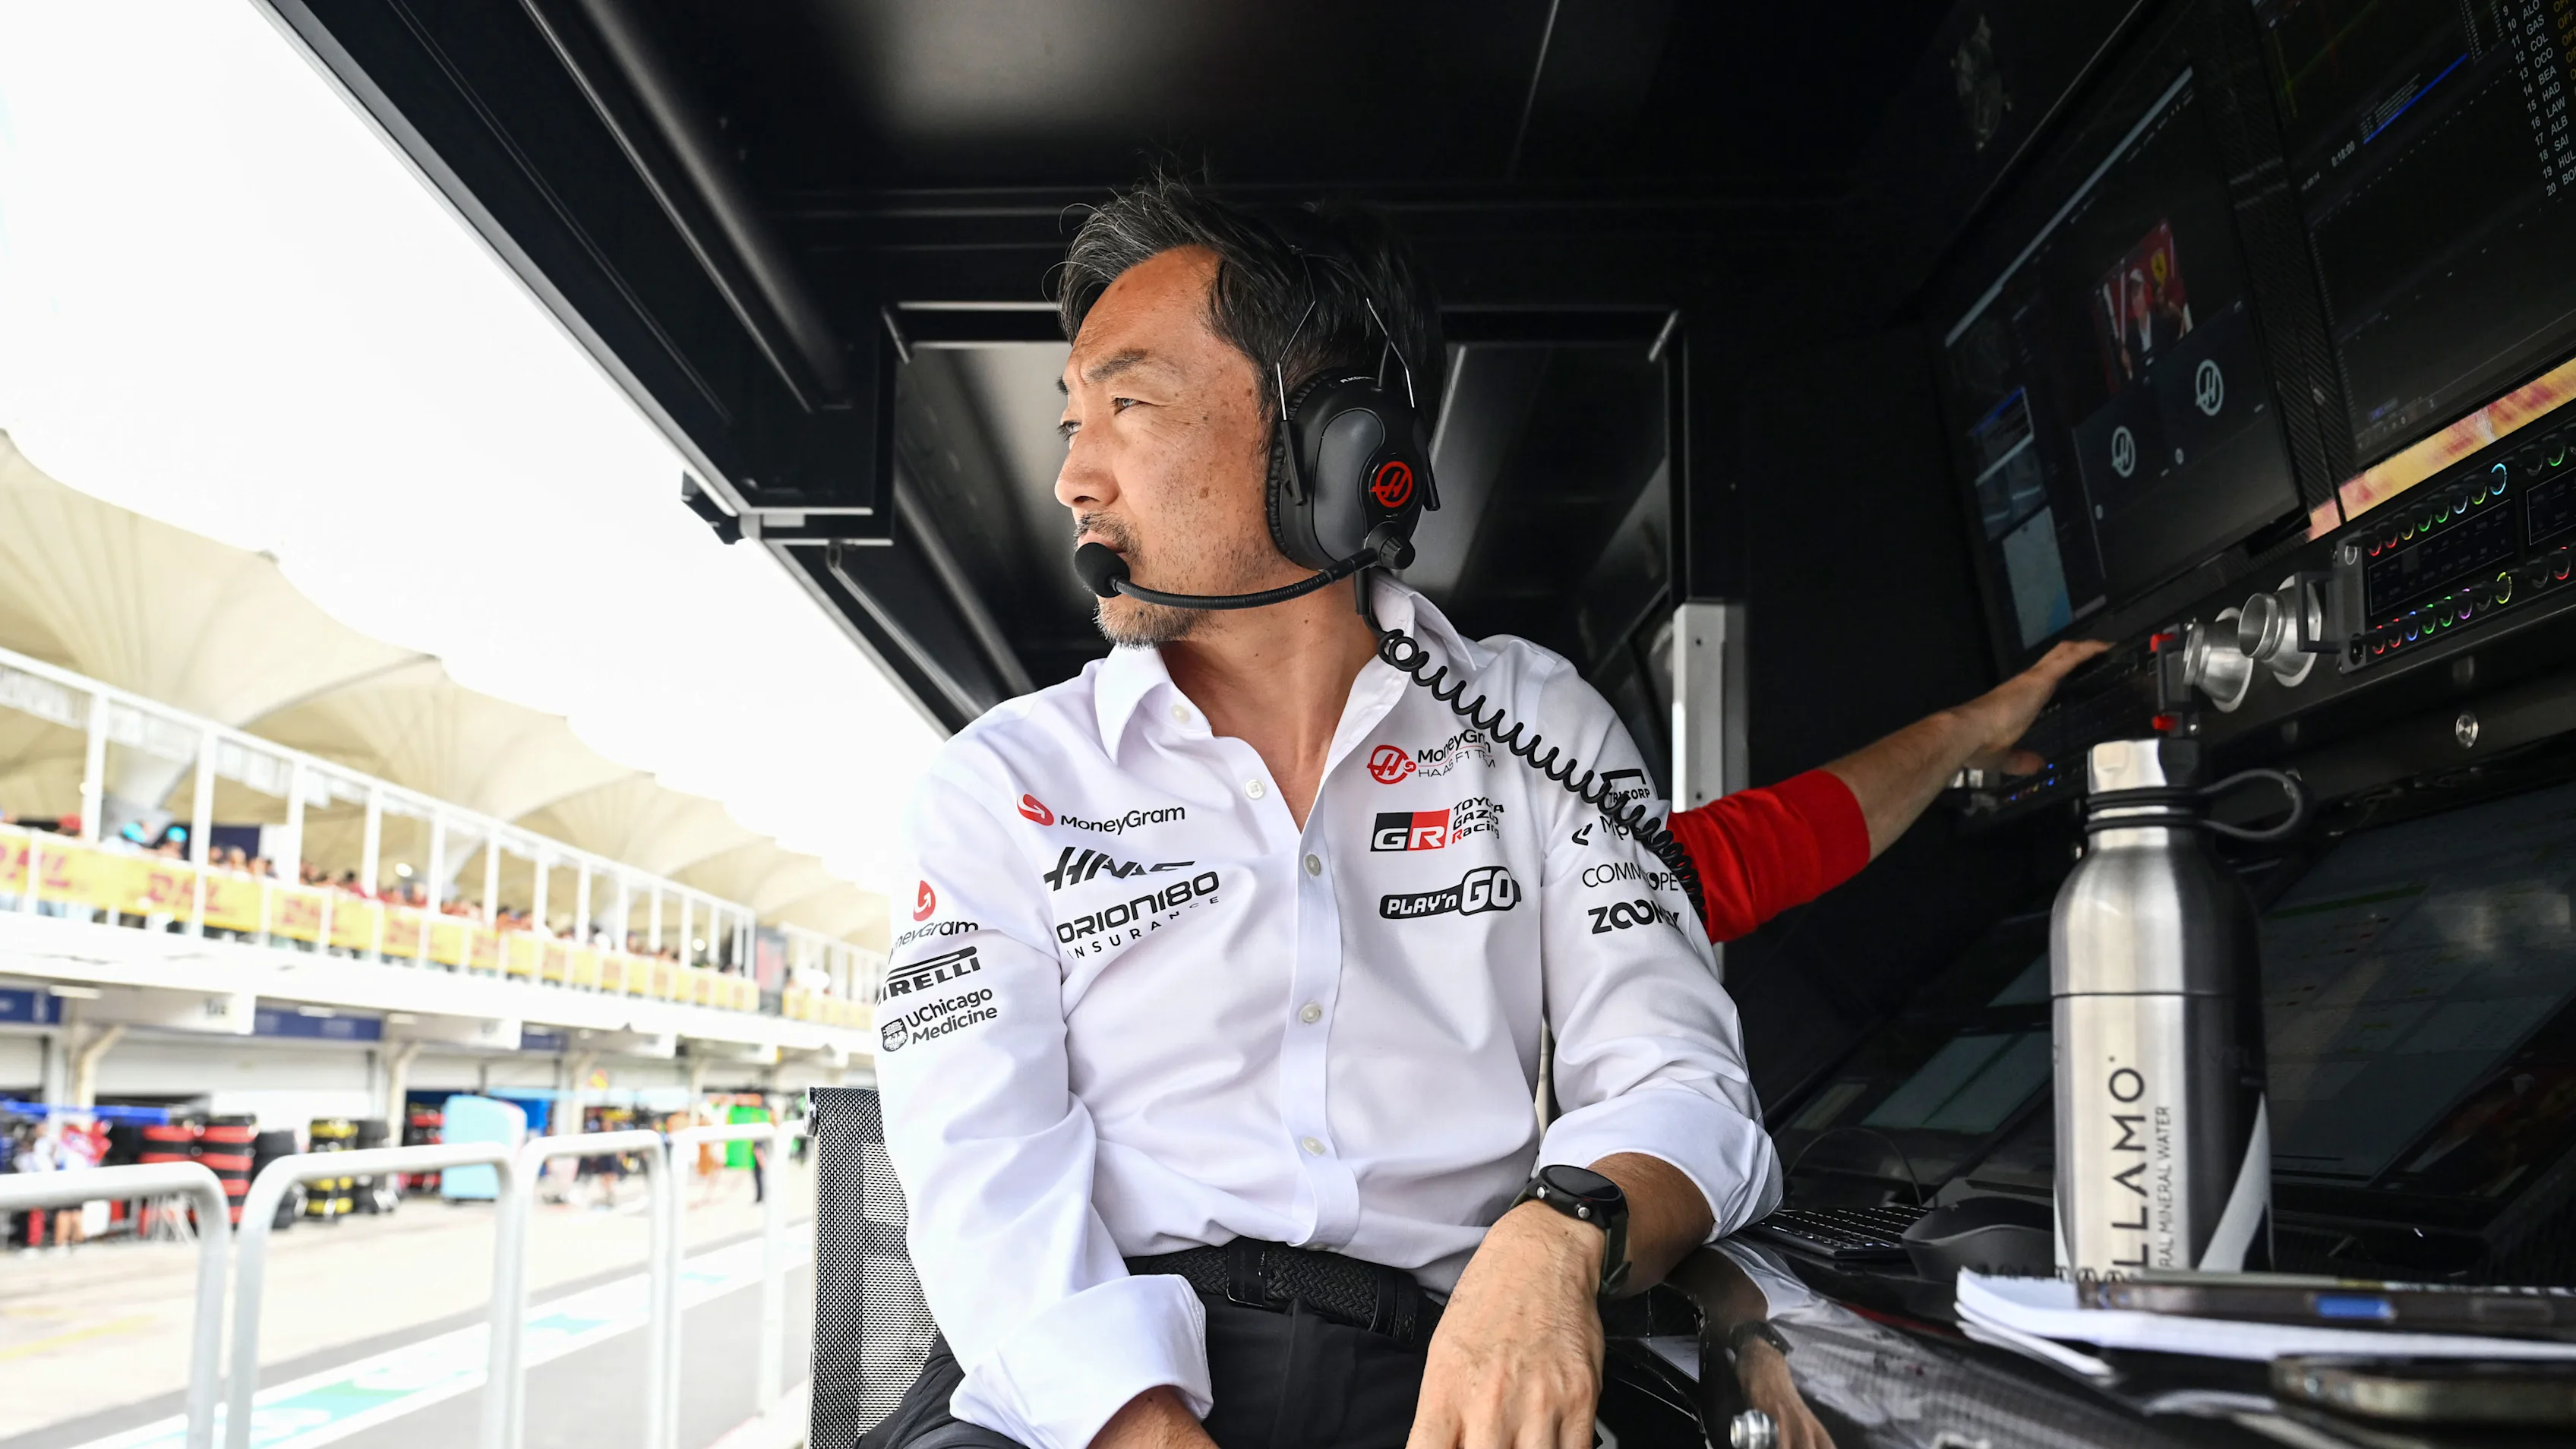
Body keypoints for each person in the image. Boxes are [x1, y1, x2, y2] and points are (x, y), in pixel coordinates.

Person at [870, 175, 2095, 1449]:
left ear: (1334, 445)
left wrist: (1561, 1233)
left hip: (1445, 1371)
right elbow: (983, 1169)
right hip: (1080, 1392)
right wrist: (1135, 1426)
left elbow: (1685, 1074)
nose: (1071, 477)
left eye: (1123, 406)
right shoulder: (998, 785)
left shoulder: (1535, 727)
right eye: (1071, 420)